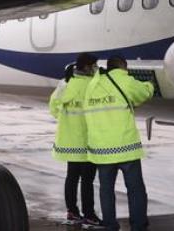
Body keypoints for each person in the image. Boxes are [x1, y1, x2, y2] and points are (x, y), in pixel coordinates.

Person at [84, 55, 155, 231]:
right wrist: (151, 84)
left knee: (106, 191)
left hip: (101, 150)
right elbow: (143, 93)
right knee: (135, 189)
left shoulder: (92, 85)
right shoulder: (124, 79)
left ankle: (110, 225)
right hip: (125, 148)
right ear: (123, 66)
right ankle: (138, 225)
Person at [49, 53, 101, 226]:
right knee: (87, 180)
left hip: (70, 141)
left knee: (71, 177)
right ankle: (89, 214)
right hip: (87, 141)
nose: (96, 68)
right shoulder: (93, 84)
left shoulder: (65, 83)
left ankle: (72, 211)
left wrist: (67, 120)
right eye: (94, 65)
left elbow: (54, 107)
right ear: (86, 67)